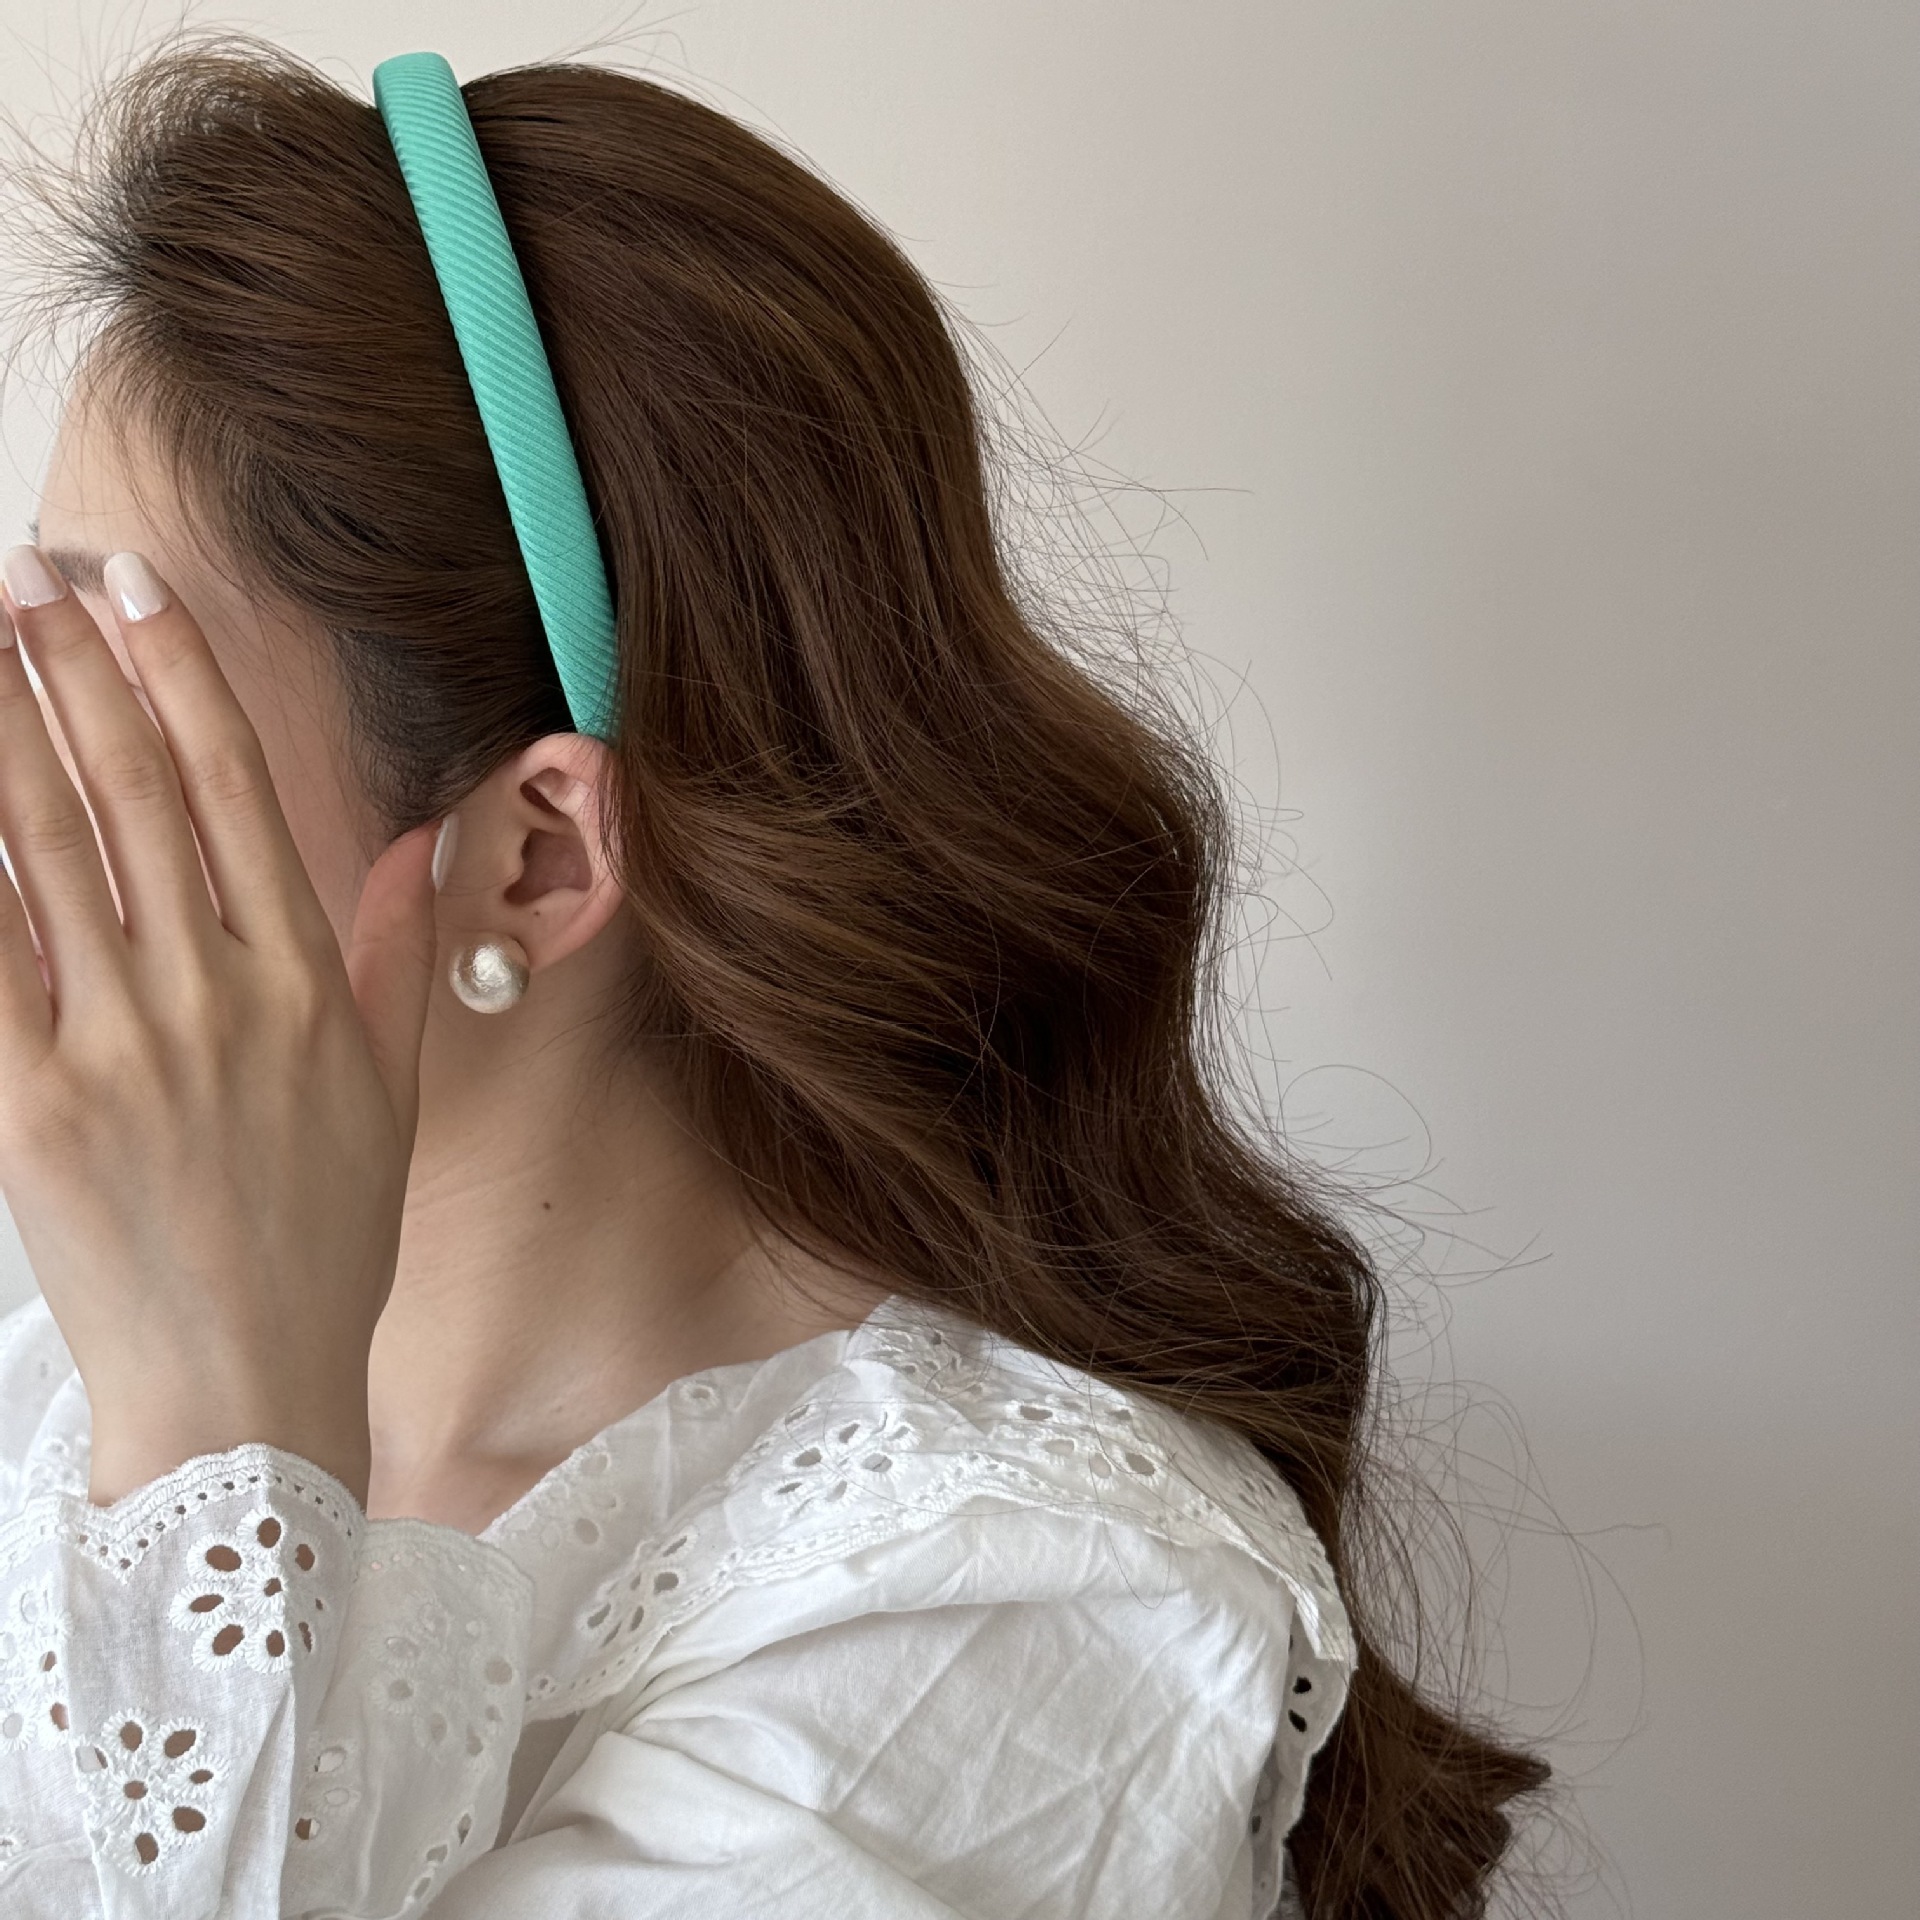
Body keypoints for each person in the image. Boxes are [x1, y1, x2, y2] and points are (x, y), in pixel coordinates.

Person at [0, 34, 1548, 1919]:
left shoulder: (1024, 1612)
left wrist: (211, 1442)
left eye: (119, 688)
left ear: (538, 856)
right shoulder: (50, 1369)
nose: (28, 774)